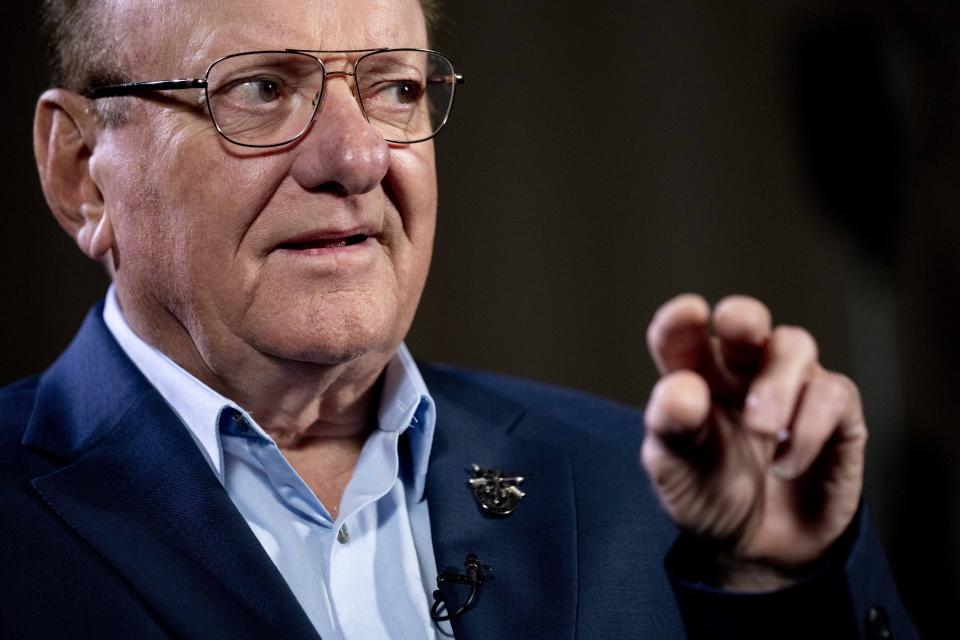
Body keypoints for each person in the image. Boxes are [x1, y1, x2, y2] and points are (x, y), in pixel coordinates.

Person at [0, 0, 914, 638]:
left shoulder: (657, 501)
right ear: (83, 172)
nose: (357, 155)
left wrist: (784, 591)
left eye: (394, 86)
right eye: (261, 90)